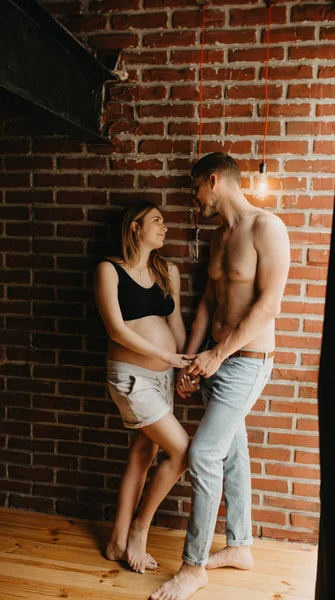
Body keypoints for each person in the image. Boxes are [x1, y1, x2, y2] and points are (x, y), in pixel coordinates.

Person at [151, 152, 290, 600]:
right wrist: (190, 364)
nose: (194, 201)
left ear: (214, 181)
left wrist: (217, 356)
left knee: (205, 453)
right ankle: (240, 546)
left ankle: (193, 567)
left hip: (246, 361)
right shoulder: (217, 237)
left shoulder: (267, 228)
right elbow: (207, 304)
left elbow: (267, 307)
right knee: (233, 451)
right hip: (213, 358)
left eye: (195, 191)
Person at [94, 201, 195, 575]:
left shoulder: (168, 271)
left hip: (163, 377)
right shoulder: (109, 270)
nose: (164, 227)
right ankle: (138, 530)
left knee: (142, 454)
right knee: (183, 452)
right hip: (131, 377)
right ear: (135, 227)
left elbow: (177, 324)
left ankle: (116, 541)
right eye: (156, 221)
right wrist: (166, 357)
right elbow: (116, 330)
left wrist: (183, 364)